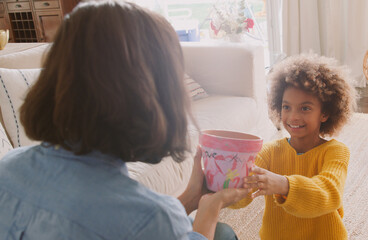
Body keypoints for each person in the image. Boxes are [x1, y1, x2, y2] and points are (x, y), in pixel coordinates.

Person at [0, 1, 250, 239]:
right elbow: (141, 224)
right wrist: (210, 207)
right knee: (223, 233)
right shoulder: (155, 218)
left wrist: (191, 198)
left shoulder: (8, 169)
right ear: (151, 96)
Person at [230, 53, 357, 239]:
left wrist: (284, 184)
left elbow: (329, 193)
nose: (293, 117)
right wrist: (227, 184)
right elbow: (242, 195)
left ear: (325, 113)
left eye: (305, 108)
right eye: (286, 107)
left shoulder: (336, 152)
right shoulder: (269, 151)